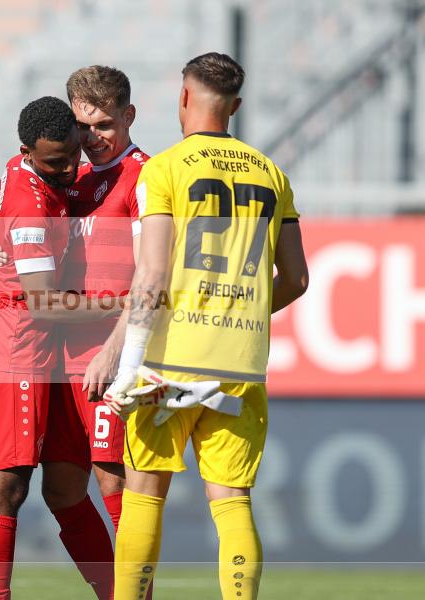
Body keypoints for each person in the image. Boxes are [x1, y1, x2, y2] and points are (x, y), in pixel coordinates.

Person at [103, 52, 309, 600]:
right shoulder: (272, 174)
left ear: (184, 96)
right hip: (240, 364)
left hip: (168, 361)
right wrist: (240, 314)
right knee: (233, 502)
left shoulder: (164, 168)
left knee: (144, 496)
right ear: (235, 106)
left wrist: (127, 368)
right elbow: (296, 278)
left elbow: (151, 275)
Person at [0, 66, 150, 599]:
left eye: (104, 126)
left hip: (108, 351)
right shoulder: (67, 171)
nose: (92, 139)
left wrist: (119, 344)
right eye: (84, 126)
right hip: (57, 352)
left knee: (115, 480)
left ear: (128, 116)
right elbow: (20, 206)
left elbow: (154, 273)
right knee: (62, 491)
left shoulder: (146, 176)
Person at [0, 96, 120, 600]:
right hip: (17, 346)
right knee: (6, 487)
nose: (68, 168)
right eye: (54, 162)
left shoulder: (23, 169)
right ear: (27, 152)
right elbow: (45, 303)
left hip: (13, 338)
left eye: (71, 155)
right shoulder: (30, 206)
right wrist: (126, 305)